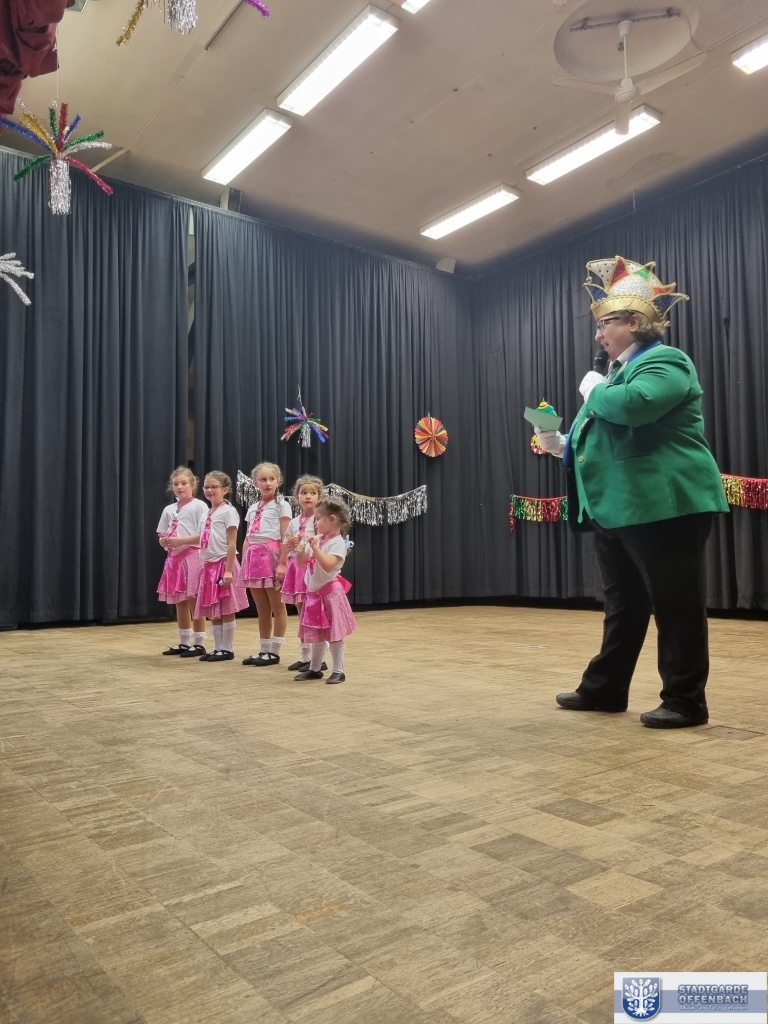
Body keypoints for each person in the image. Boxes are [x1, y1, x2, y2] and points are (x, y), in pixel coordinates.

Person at [536, 255, 728, 728]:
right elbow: (598, 436)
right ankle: (604, 689)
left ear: (635, 323)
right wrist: (559, 442)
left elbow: (636, 407)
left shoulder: (665, 361)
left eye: (605, 324)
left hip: (663, 504)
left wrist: (595, 392)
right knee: (624, 604)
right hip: (619, 508)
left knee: (676, 604)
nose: (598, 335)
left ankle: (685, 701)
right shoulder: (613, 377)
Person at [294, 497, 356, 684]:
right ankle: (315, 668)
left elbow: (328, 565)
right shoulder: (318, 539)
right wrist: (302, 546)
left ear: (333, 519)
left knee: (334, 635)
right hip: (314, 595)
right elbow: (300, 562)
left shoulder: (338, 543)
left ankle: (338, 671)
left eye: (319, 518)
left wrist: (315, 547)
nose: (315, 523)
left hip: (330, 595)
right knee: (316, 634)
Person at [194, 471, 249, 662]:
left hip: (224, 562)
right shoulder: (206, 513)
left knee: (226, 607)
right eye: (206, 487)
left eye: (214, 487)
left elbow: (232, 543)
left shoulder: (228, 511)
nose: (209, 490)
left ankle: (227, 648)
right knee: (213, 608)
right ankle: (218, 647)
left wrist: (228, 570)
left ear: (225, 490)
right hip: (209, 565)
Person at [241, 462, 292, 667]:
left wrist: (282, 563)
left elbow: (286, 536)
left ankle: (275, 651)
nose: (268, 483)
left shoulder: (282, 505)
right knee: (262, 607)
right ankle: (264, 649)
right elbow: (248, 537)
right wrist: (244, 562)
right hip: (254, 558)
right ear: (255, 483)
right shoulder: (253, 508)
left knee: (277, 605)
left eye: (272, 479)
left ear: (278, 481)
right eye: (263, 479)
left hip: (272, 556)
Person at [157, 467, 208, 657]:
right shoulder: (169, 509)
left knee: (194, 599)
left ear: (193, 485)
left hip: (192, 556)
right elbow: (162, 532)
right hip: (174, 559)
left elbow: (204, 534)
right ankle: (184, 642)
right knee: (180, 601)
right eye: (176, 484)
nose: (180, 487)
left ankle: (199, 642)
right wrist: (163, 541)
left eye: (184, 483)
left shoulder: (199, 506)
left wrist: (181, 541)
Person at [281, 475, 326, 672]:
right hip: (296, 567)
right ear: (296, 496)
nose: (308, 496)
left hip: (312, 568)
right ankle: (306, 656)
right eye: (303, 493)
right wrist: (290, 544)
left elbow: (323, 541)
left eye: (312, 493)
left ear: (319, 497)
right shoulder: (294, 521)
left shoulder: (319, 520)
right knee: (301, 613)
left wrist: (306, 541)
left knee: (313, 612)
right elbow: (287, 543)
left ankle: (319, 657)